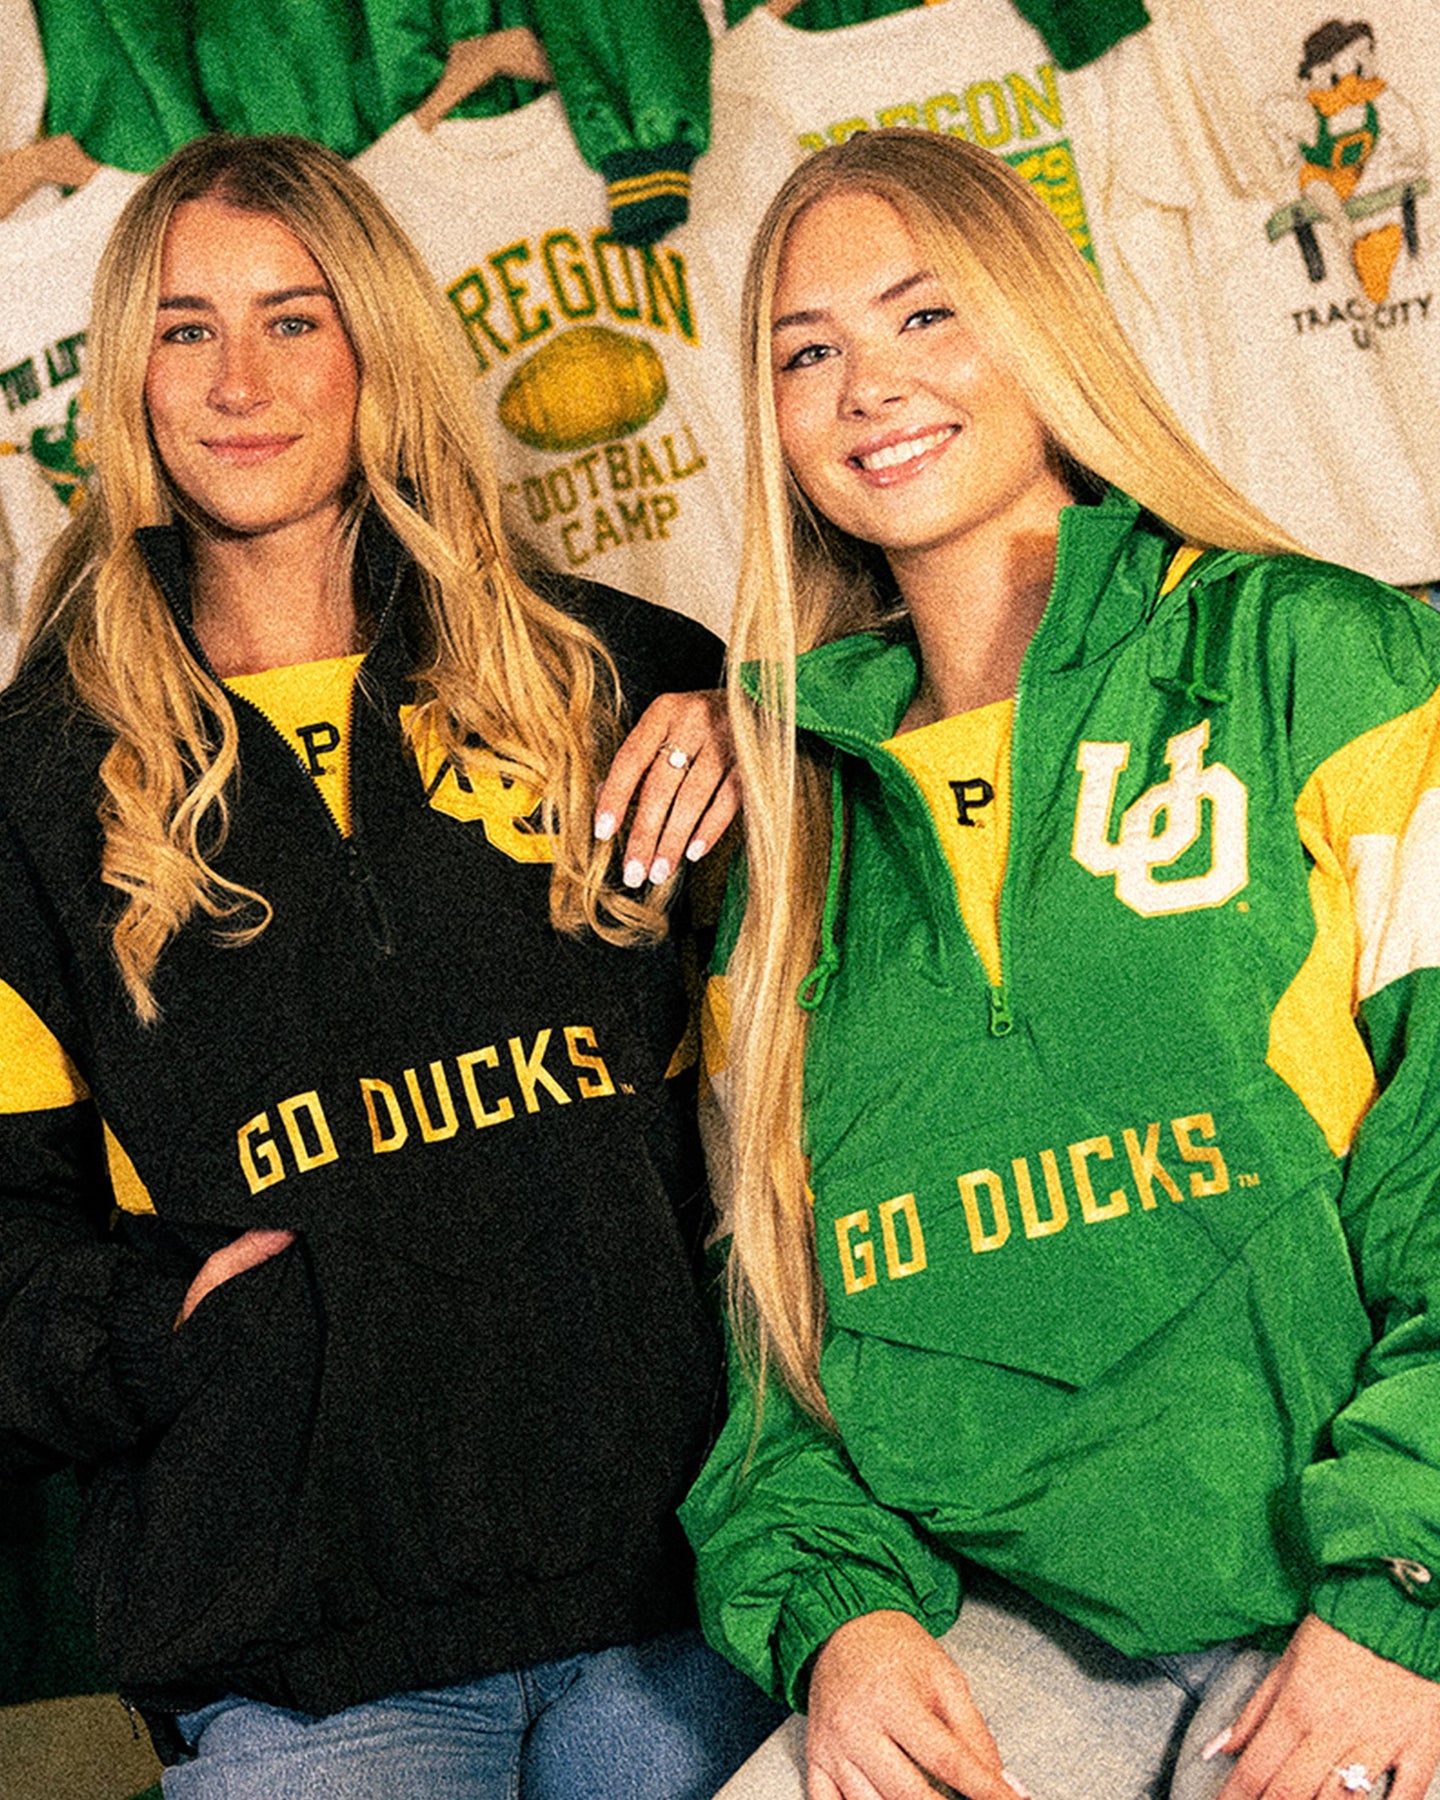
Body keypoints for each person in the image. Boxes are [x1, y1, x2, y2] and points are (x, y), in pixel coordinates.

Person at [0, 133, 784, 1798]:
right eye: (186, 328)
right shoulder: (32, 793)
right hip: (305, 1666)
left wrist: (772, 733)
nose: (240, 381)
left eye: (294, 318)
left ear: (379, 344)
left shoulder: (624, 680)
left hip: (676, 1606)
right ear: (126, 372)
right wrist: (157, 1333)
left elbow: (814, 1108)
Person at [678, 128, 1440, 1800]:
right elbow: (772, 1326)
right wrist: (841, 1621)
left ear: (1040, 326)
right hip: (1003, 1631)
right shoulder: (786, 827)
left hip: (1364, 1587)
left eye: (925, 315)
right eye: (808, 353)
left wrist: (1407, 1591)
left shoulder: (1313, 653)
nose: (870, 386)